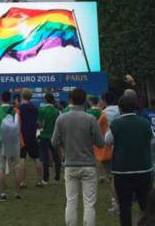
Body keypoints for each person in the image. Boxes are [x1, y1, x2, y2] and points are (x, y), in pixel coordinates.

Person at [53, 87, 105, 226]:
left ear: (70, 100)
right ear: (85, 101)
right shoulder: (90, 119)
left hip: (70, 164)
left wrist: (65, 141)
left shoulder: (62, 118)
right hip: (88, 164)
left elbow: (54, 142)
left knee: (71, 201)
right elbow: (100, 143)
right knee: (89, 203)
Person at [105, 94, 153, 226]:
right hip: (144, 169)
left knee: (125, 206)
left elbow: (107, 141)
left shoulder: (116, 124)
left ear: (120, 109)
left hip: (122, 171)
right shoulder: (144, 122)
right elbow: (151, 140)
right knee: (145, 205)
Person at [0, 90, 22, 201]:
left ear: (1, 98)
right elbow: (19, 127)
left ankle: (3, 193)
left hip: (2, 143)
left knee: (2, 168)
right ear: (10, 99)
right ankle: (18, 193)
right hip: (14, 143)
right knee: (16, 167)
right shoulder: (15, 111)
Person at [38, 93, 59, 185]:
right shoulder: (56, 111)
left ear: (45, 100)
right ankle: (57, 178)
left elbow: (40, 124)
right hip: (54, 136)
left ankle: (45, 179)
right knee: (56, 157)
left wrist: (40, 131)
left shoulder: (42, 110)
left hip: (44, 136)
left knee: (45, 158)